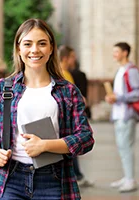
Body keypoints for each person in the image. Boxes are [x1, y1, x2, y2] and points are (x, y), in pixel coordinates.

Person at [0, 18, 94, 200]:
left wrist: (45, 145)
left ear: (51, 48)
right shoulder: (2, 88)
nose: (35, 50)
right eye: (28, 44)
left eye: (42, 43)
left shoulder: (67, 90)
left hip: (54, 180)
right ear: (19, 49)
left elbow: (86, 138)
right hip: (10, 179)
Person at [105, 42, 139, 192]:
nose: (114, 54)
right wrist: (112, 98)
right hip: (118, 114)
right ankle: (126, 176)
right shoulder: (120, 70)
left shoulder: (131, 71)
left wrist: (119, 98)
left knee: (126, 147)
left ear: (125, 53)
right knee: (122, 147)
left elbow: (138, 93)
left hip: (127, 115)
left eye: (117, 51)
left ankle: (130, 179)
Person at [58, 45, 93, 187]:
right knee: (70, 147)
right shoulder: (63, 73)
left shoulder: (66, 73)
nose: (75, 59)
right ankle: (76, 175)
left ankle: (77, 174)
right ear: (65, 58)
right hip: (67, 119)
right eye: (72, 56)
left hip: (68, 119)